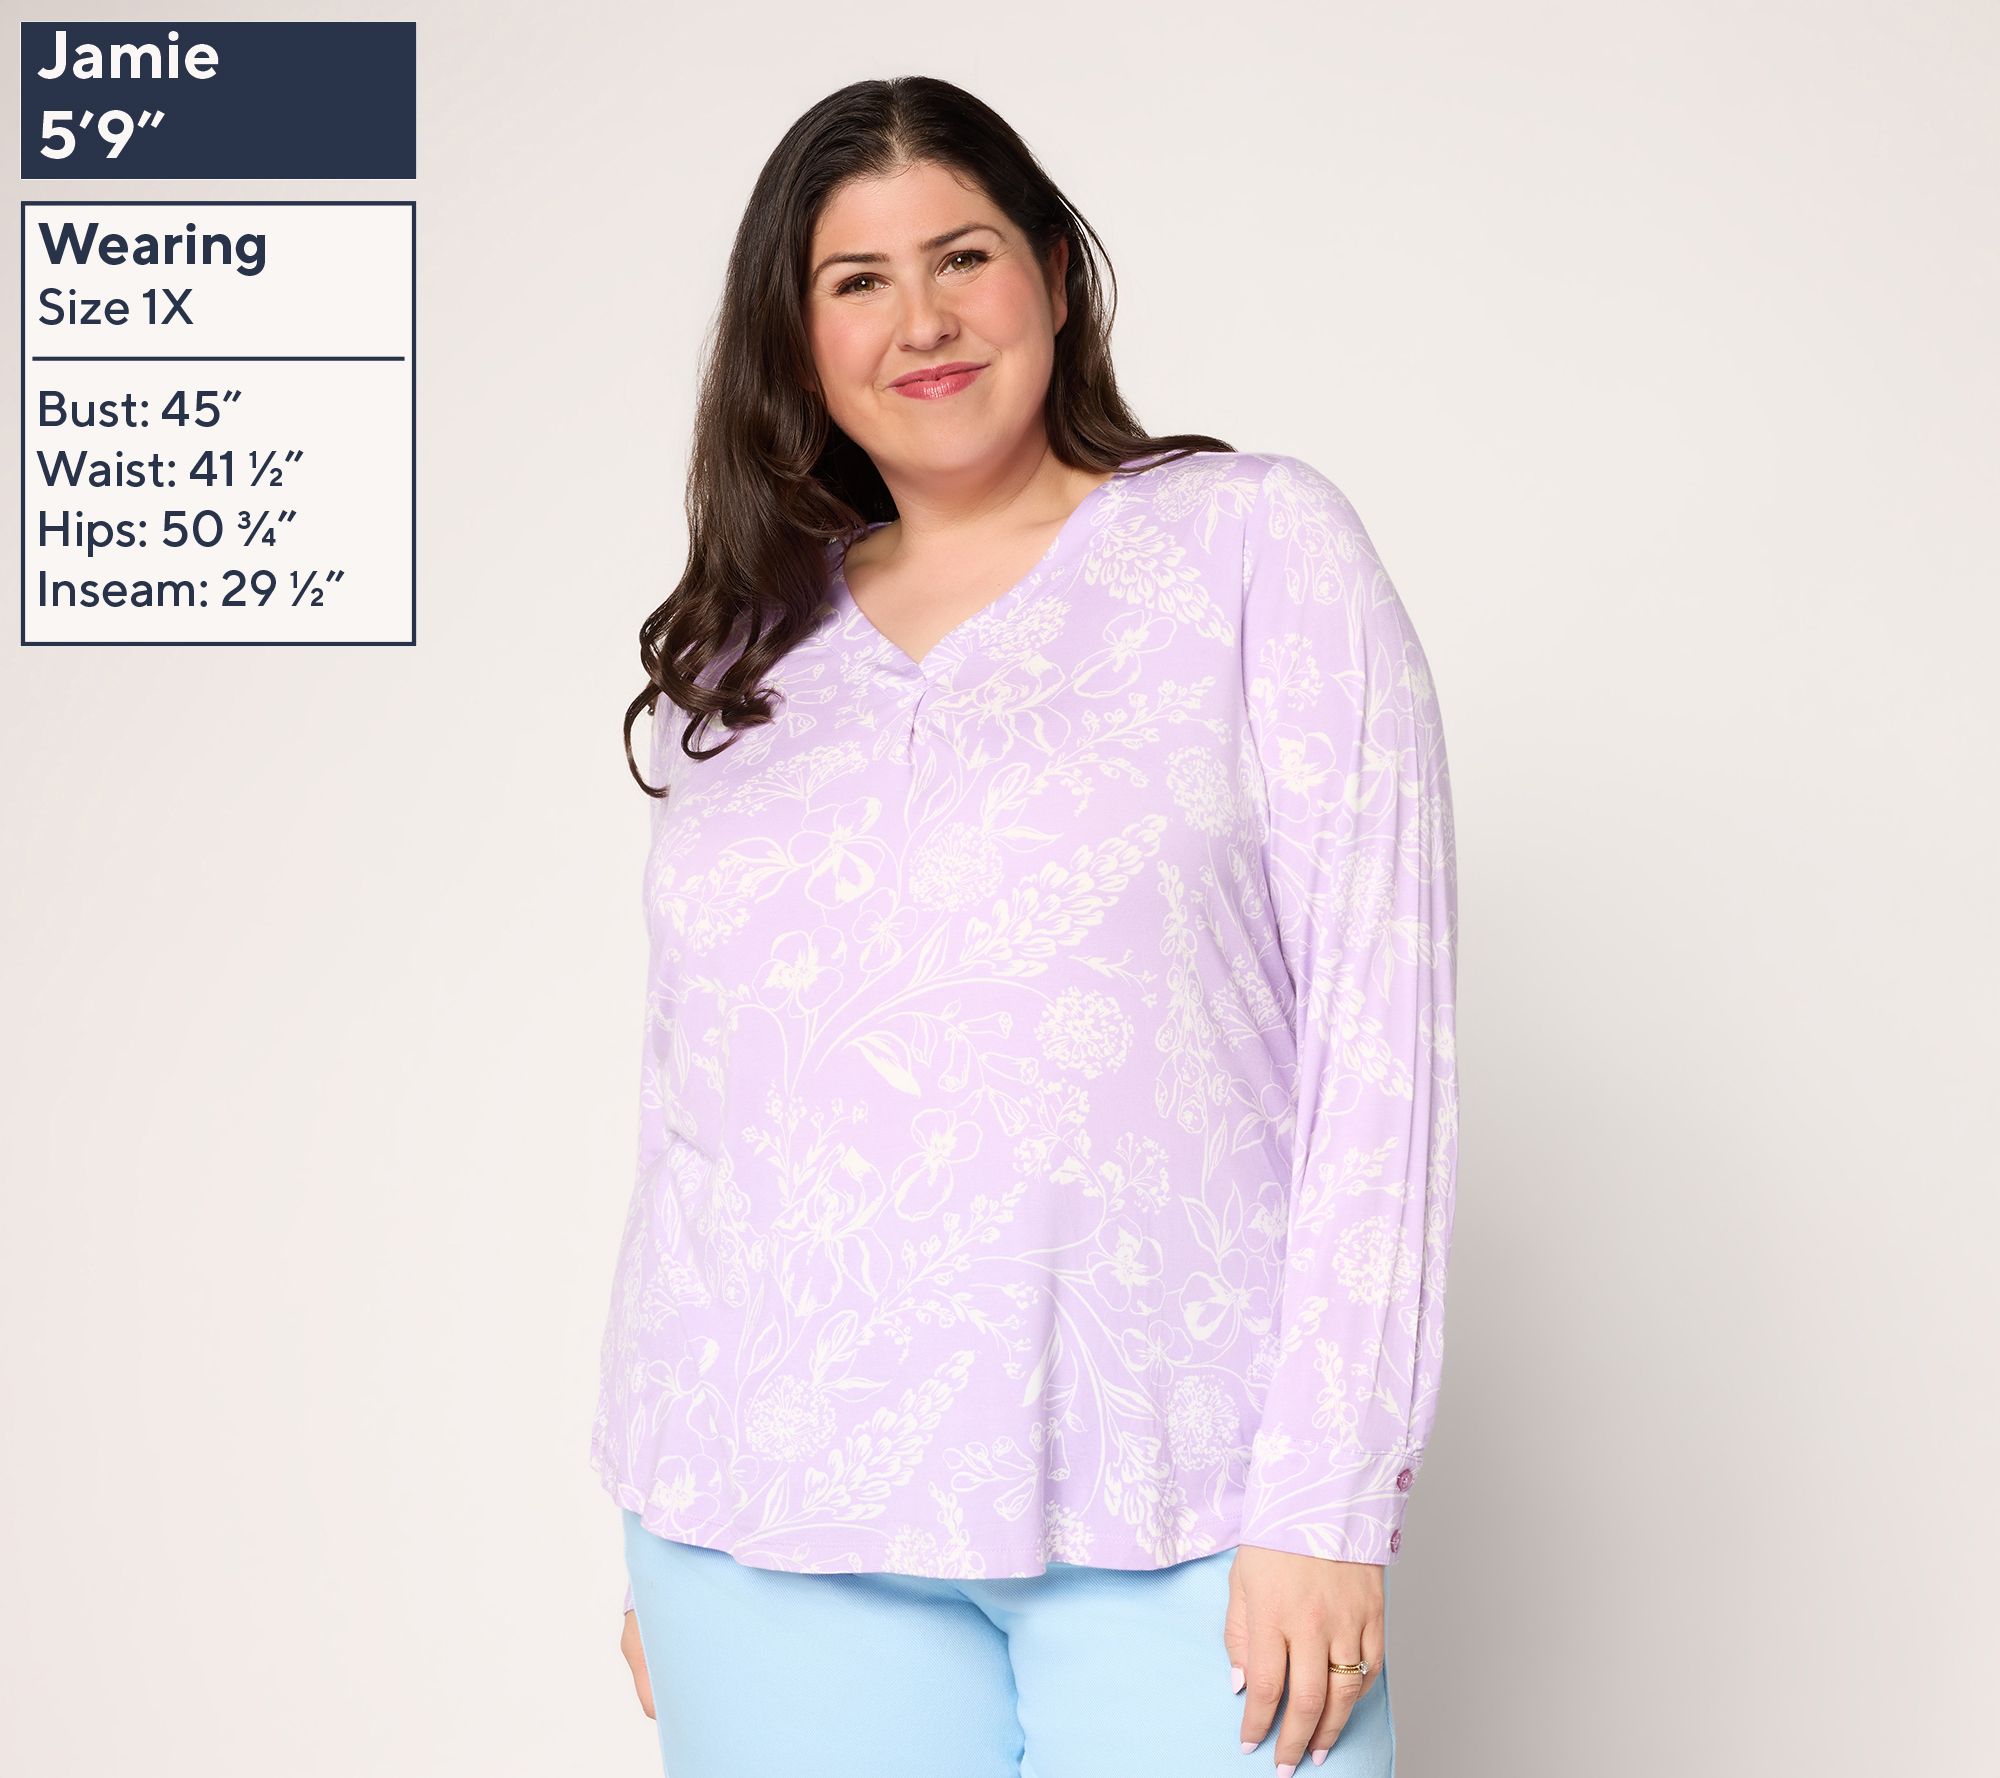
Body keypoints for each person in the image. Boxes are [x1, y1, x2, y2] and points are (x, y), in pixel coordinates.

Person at [590, 75, 1458, 1778]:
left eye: (964, 256)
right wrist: (671, 1493)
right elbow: (698, 1106)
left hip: (1189, 1503)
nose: (921, 319)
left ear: (1055, 275)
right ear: (797, 339)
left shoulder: (1252, 548)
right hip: (758, 1536)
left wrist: (1330, 1499)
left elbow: (1384, 1043)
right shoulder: (741, 662)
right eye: (857, 281)